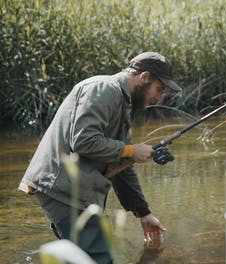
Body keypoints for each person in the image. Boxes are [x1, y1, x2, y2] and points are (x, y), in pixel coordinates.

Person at [18, 51, 182, 263]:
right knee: (100, 259)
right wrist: (131, 150)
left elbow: (120, 164)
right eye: (159, 89)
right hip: (61, 189)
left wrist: (143, 212)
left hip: (73, 192)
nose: (159, 97)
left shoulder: (121, 103)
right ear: (144, 77)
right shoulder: (104, 89)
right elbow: (83, 140)